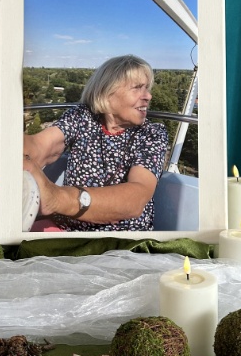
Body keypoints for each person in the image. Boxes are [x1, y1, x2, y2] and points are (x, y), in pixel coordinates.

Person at [23, 54, 169, 232]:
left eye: (146, 88)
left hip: (120, 238)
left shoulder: (152, 134)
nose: (148, 96)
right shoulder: (82, 117)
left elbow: (135, 198)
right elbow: (41, 146)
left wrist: (56, 198)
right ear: (107, 93)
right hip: (67, 226)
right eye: (138, 87)